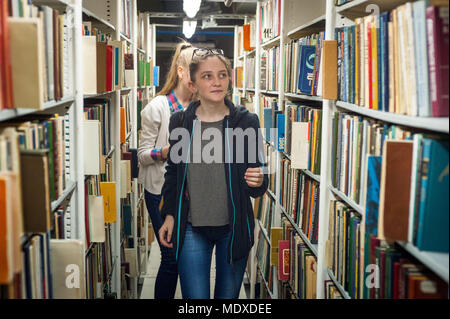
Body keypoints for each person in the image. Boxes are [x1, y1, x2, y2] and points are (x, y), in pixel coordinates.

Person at [158, 48, 268, 299]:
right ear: (192, 83)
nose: (216, 81)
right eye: (207, 76)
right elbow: (173, 173)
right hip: (190, 227)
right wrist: (170, 215)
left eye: (222, 75)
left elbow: (259, 178)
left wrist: (260, 180)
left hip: (234, 227)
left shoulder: (246, 121)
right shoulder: (180, 122)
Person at [137, 41, 196, 299]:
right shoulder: (157, 107)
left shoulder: (203, 106)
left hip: (192, 194)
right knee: (171, 258)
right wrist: (163, 152)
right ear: (181, 71)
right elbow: (141, 155)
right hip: (161, 191)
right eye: (195, 69)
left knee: (188, 258)